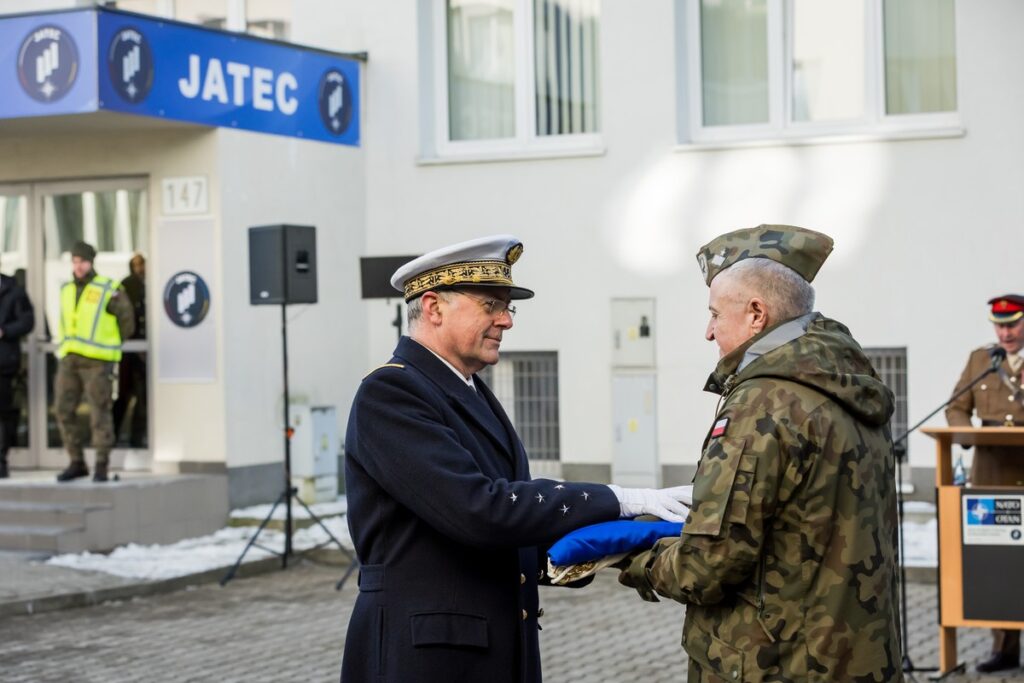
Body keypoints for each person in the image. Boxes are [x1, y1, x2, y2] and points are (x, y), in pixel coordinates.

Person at [341, 235, 691, 683]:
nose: (505, 321)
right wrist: (618, 499)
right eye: (490, 304)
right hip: (426, 657)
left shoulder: (466, 388)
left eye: (508, 307)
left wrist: (598, 546)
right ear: (433, 307)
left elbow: (508, 510)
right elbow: (480, 509)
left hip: (485, 648)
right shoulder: (391, 393)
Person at [619, 224, 903, 682]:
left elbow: (708, 565)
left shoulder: (764, 405)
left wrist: (640, 559)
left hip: (777, 664)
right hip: (855, 658)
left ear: (756, 313)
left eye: (715, 314)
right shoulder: (843, 384)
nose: (708, 332)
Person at [945, 293, 1024, 673]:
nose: (1005, 332)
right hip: (992, 471)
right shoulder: (982, 359)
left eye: (1013, 324)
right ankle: (1005, 649)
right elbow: (957, 405)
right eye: (1000, 325)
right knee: (1000, 561)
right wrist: (965, 434)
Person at [54, 241, 135, 483]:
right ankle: (76, 462)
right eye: (75, 261)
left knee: (99, 412)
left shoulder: (108, 288)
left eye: (82, 261)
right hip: (70, 359)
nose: (78, 266)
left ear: (91, 262)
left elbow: (127, 321)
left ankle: (101, 465)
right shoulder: (66, 289)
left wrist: (111, 343)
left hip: (97, 362)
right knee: (62, 410)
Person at [0, 263, 34, 478]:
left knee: (4, 414)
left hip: (4, 364)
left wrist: (4, 331)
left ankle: (2, 460)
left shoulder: (14, 291)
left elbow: (28, 321)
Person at [112, 252, 147, 447]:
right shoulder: (127, 285)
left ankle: (137, 438)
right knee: (124, 396)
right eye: (137, 265)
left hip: (143, 349)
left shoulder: (152, 283)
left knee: (143, 398)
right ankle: (114, 434)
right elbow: (126, 319)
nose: (141, 269)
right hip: (129, 350)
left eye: (142, 265)